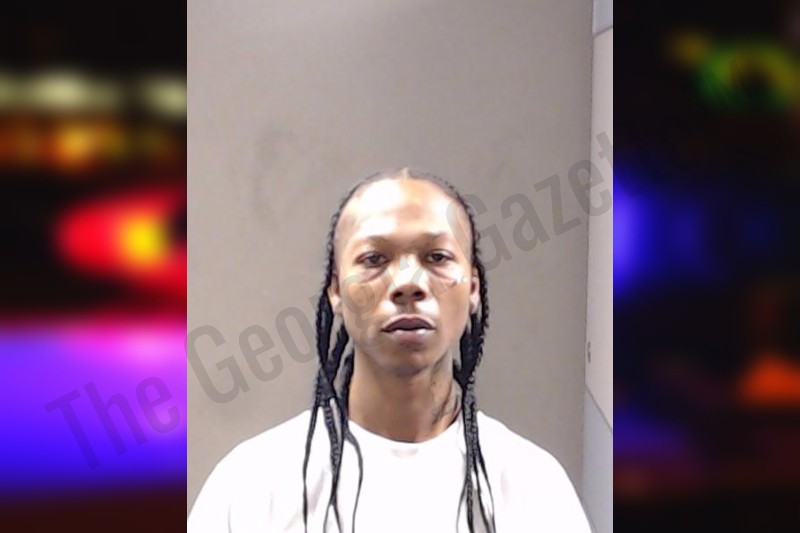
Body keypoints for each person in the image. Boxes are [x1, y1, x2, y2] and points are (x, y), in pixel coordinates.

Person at [188, 168, 591, 532]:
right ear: (336, 291)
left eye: (437, 257)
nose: (408, 283)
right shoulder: (252, 487)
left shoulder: (534, 490)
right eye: (374, 259)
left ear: (472, 288)